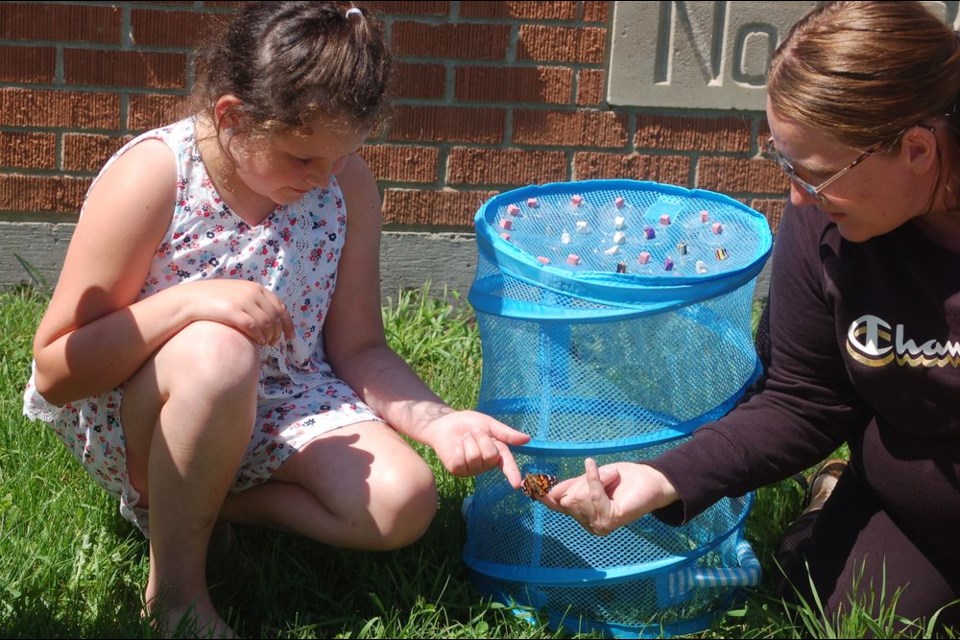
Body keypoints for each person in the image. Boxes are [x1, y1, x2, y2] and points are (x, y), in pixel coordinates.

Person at [21, 2, 530, 637]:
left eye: (341, 157)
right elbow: (56, 368)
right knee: (218, 351)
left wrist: (438, 422)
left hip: (283, 399)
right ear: (233, 117)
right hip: (152, 411)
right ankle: (176, 593)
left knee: (404, 503)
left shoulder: (344, 187)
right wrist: (188, 302)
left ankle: (195, 501)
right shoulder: (156, 177)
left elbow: (361, 347)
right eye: (301, 158)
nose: (323, 179)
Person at [539, 0, 960, 630]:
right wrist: (664, 477)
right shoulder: (827, 223)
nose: (796, 196)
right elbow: (802, 397)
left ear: (918, 151)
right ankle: (833, 503)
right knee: (858, 620)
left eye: (815, 174)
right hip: (917, 504)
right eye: (786, 164)